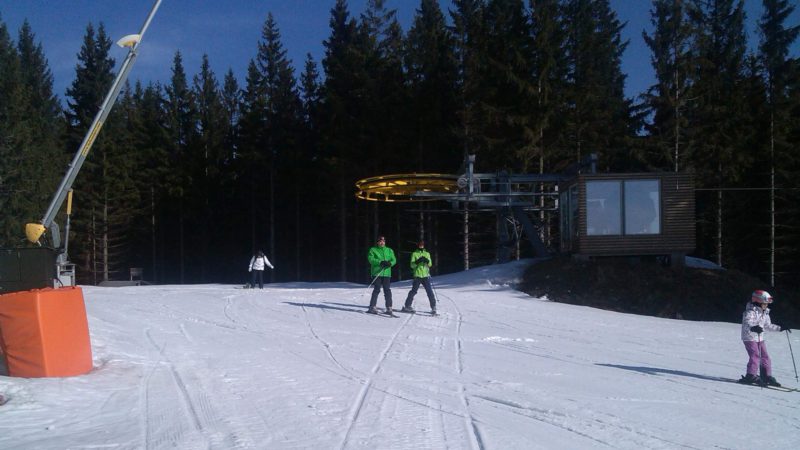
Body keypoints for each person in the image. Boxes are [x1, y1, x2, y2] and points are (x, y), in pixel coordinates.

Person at [739, 290, 791, 386]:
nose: (766, 305)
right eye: (764, 303)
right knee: (755, 356)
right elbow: (746, 323)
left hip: (759, 338)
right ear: (757, 302)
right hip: (749, 337)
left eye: (767, 304)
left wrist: (780, 328)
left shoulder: (765, 313)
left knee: (765, 357)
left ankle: (766, 376)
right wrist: (753, 327)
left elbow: (768, 325)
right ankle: (751, 375)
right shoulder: (749, 312)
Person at [402, 240, 437, 315]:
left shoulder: (427, 253)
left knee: (429, 292)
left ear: (424, 245)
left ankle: (433, 307)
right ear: (418, 245)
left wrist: (427, 261)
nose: (421, 245)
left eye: (422, 244)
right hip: (417, 275)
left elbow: (430, 264)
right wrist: (417, 262)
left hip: (425, 275)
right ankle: (407, 306)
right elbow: (412, 265)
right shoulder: (414, 253)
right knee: (414, 291)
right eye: (420, 244)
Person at [367, 235, 396, 315]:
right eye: (380, 241)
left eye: (383, 241)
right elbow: (371, 259)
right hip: (377, 273)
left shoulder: (389, 250)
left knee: (387, 290)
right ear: (377, 242)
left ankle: (389, 307)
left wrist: (390, 263)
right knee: (377, 289)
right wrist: (380, 262)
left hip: (386, 273)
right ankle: (372, 306)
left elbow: (394, 260)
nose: (382, 242)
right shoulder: (373, 250)